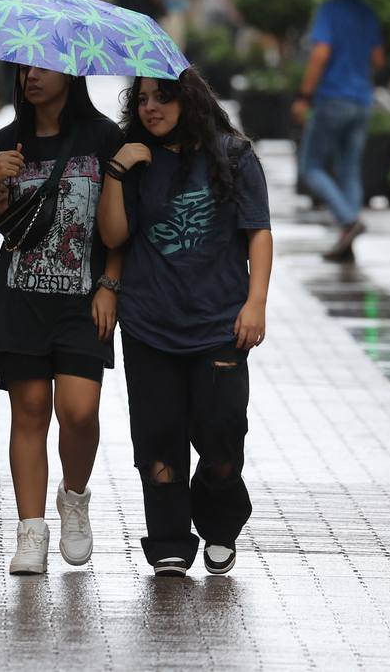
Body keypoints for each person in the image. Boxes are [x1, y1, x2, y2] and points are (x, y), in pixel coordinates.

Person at [99, 69, 272, 577]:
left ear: (188, 99)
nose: (151, 108)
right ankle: (170, 536)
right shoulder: (135, 158)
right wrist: (116, 171)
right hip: (149, 322)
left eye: (163, 97)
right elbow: (113, 237)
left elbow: (258, 232)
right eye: (143, 99)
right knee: (157, 438)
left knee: (221, 436)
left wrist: (256, 302)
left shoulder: (234, 155)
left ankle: (218, 524)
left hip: (220, 323)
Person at [0, 66, 123, 575]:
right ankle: (30, 530)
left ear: (70, 75)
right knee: (29, 411)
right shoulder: (7, 141)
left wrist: (110, 284)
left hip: (83, 302)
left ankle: (74, 499)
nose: (31, 77)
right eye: (24, 68)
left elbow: (125, 225)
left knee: (79, 411)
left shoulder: (103, 138)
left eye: (43, 68)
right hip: (19, 300)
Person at [292, 0, 384, 261]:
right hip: (362, 100)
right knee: (349, 169)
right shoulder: (367, 11)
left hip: (332, 99)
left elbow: (321, 53)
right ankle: (348, 238)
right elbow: (378, 58)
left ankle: (347, 221)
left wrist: (304, 95)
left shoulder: (329, 11)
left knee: (312, 167)